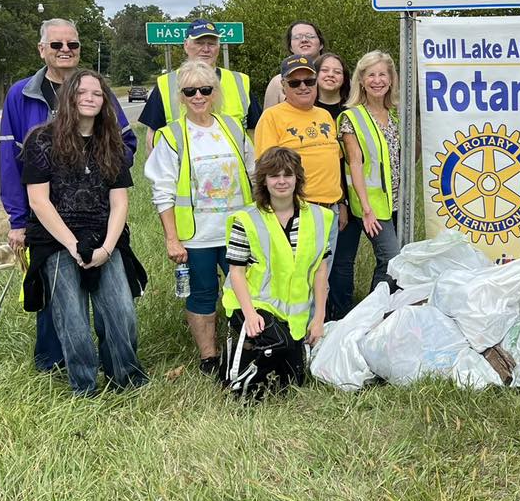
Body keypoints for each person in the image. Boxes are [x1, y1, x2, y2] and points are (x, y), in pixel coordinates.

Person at [0, 18, 136, 373]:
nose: (64, 50)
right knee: (58, 297)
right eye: (56, 44)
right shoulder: (22, 94)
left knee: (112, 298)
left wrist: (95, 168)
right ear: (41, 48)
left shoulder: (97, 90)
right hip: (46, 215)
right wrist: (18, 220)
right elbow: (9, 159)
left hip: (97, 216)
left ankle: (116, 365)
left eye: (71, 45)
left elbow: (125, 142)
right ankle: (54, 363)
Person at [20, 69, 148, 396]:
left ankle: (126, 378)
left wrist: (106, 249)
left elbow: (119, 203)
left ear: (104, 101)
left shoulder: (111, 143)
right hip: (56, 240)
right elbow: (38, 200)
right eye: (81, 92)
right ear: (68, 99)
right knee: (72, 320)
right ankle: (84, 385)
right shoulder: (41, 140)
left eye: (97, 93)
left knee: (121, 312)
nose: (89, 98)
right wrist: (73, 245)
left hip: (106, 238)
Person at [144, 58, 254, 375]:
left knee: (244, 291)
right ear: (181, 96)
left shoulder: (232, 128)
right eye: (190, 90)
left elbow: (254, 173)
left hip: (238, 232)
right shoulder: (172, 136)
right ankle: (209, 357)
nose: (198, 96)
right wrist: (171, 238)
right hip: (197, 237)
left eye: (205, 89)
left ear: (214, 92)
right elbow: (163, 192)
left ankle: (247, 348)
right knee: (203, 294)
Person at [222, 146, 334, 395]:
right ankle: (236, 364)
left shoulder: (319, 218)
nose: (281, 181)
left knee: (293, 383)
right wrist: (250, 314)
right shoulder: (247, 219)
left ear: (297, 178)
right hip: (254, 305)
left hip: (295, 316)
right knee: (254, 382)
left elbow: (320, 273)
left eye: (288, 175)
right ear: (263, 180)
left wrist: (318, 319)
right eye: (274, 175)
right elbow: (237, 272)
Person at [254, 53, 346, 253]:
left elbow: (334, 163)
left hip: (331, 210)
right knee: (297, 277)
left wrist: (341, 202)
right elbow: (266, 171)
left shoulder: (325, 116)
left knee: (322, 277)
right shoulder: (272, 117)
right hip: (297, 209)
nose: (303, 86)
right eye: (295, 83)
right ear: (284, 87)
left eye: (309, 81)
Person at [335, 51, 403, 309]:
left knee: (395, 261)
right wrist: (365, 209)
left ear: (391, 79)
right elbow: (354, 164)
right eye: (371, 75)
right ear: (361, 81)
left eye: (382, 74)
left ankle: (384, 309)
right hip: (372, 205)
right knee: (391, 258)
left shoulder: (396, 116)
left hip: (398, 200)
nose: (377, 80)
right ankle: (374, 312)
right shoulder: (352, 117)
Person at [140, 20, 260, 150]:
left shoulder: (240, 81)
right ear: (186, 45)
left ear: (218, 48)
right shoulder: (166, 84)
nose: (206, 49)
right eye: (199, 43)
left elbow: (255, 131)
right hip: (184, 167)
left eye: (212, 44)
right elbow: (151, 137)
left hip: (233, 167)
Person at [262, 21, 326, 108]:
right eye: (297, 37)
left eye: (310, 36)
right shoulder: (278, 82)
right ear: (290, 47)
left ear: (321, 44)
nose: (304, 40)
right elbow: (268, 118)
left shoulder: (337, 77)